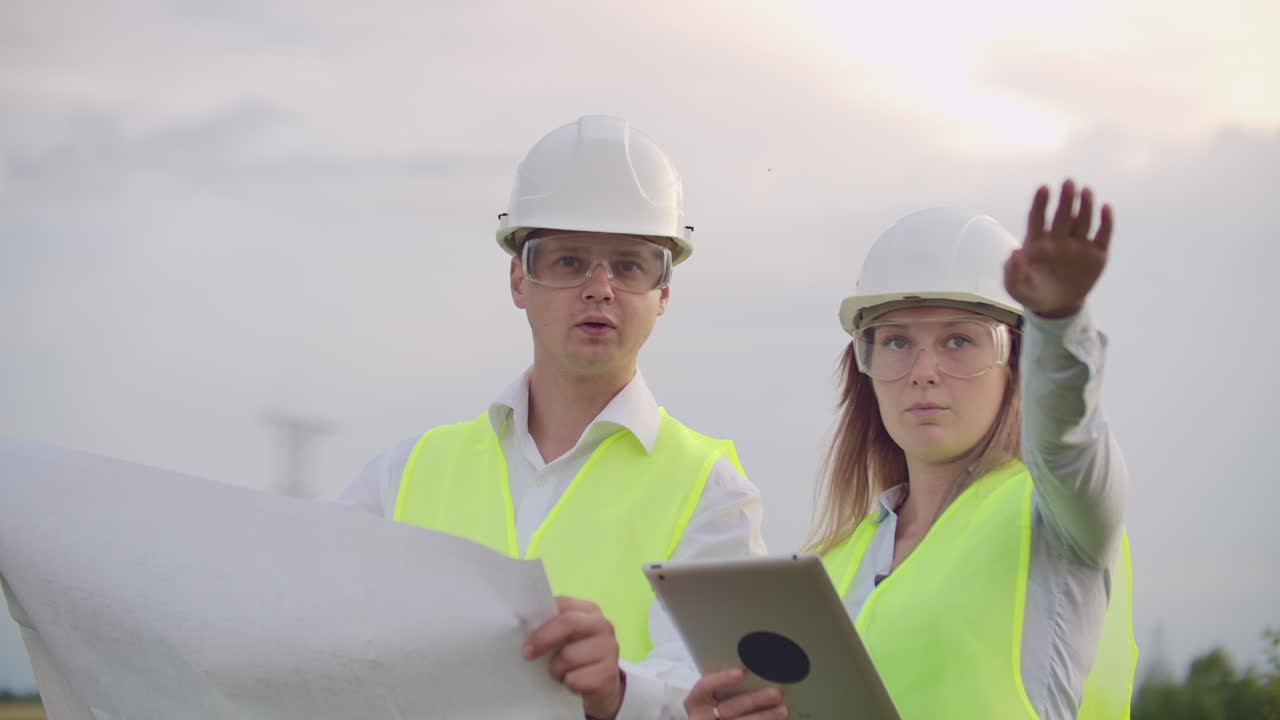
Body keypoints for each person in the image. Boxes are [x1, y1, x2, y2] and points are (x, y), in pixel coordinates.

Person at [330, 115, 765, 720]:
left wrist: (618, 691)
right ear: (518, 279)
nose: (600, 288)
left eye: (630, 265)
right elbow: (313, 633)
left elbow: (710, 695)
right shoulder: (401, 476)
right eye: (567, 262)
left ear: (664, 293)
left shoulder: (713, 496)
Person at [684, 181, 1137, 719]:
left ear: (1015, 362)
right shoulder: (832, 564)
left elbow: (1068, 437)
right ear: (865, 367)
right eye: (897, 341)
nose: (924, 373)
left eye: (959, 340)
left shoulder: (1058, 513)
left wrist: (1058, 324)